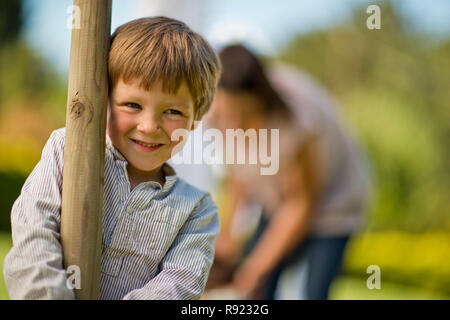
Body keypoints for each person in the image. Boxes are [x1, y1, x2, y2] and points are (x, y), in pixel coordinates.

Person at [3, 17, 221, 300]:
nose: (149, 126)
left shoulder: (196, 211)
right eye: (133, 105)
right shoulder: (66, 150)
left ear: (195, 119)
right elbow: (33, 236)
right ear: (103, 99)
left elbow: (178, 286)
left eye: (173, 112)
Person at [207, 44, 371, 300]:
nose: (233, 126)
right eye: (227, 115)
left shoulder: (295, 115)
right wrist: (228, 235)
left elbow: (301, 202)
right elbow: (238, 174)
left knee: (309, 293)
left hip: (333, 207)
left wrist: (254, 268)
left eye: (241, 116)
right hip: (276, 202)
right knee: (257, 291)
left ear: (259, 101)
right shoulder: (217, 104)